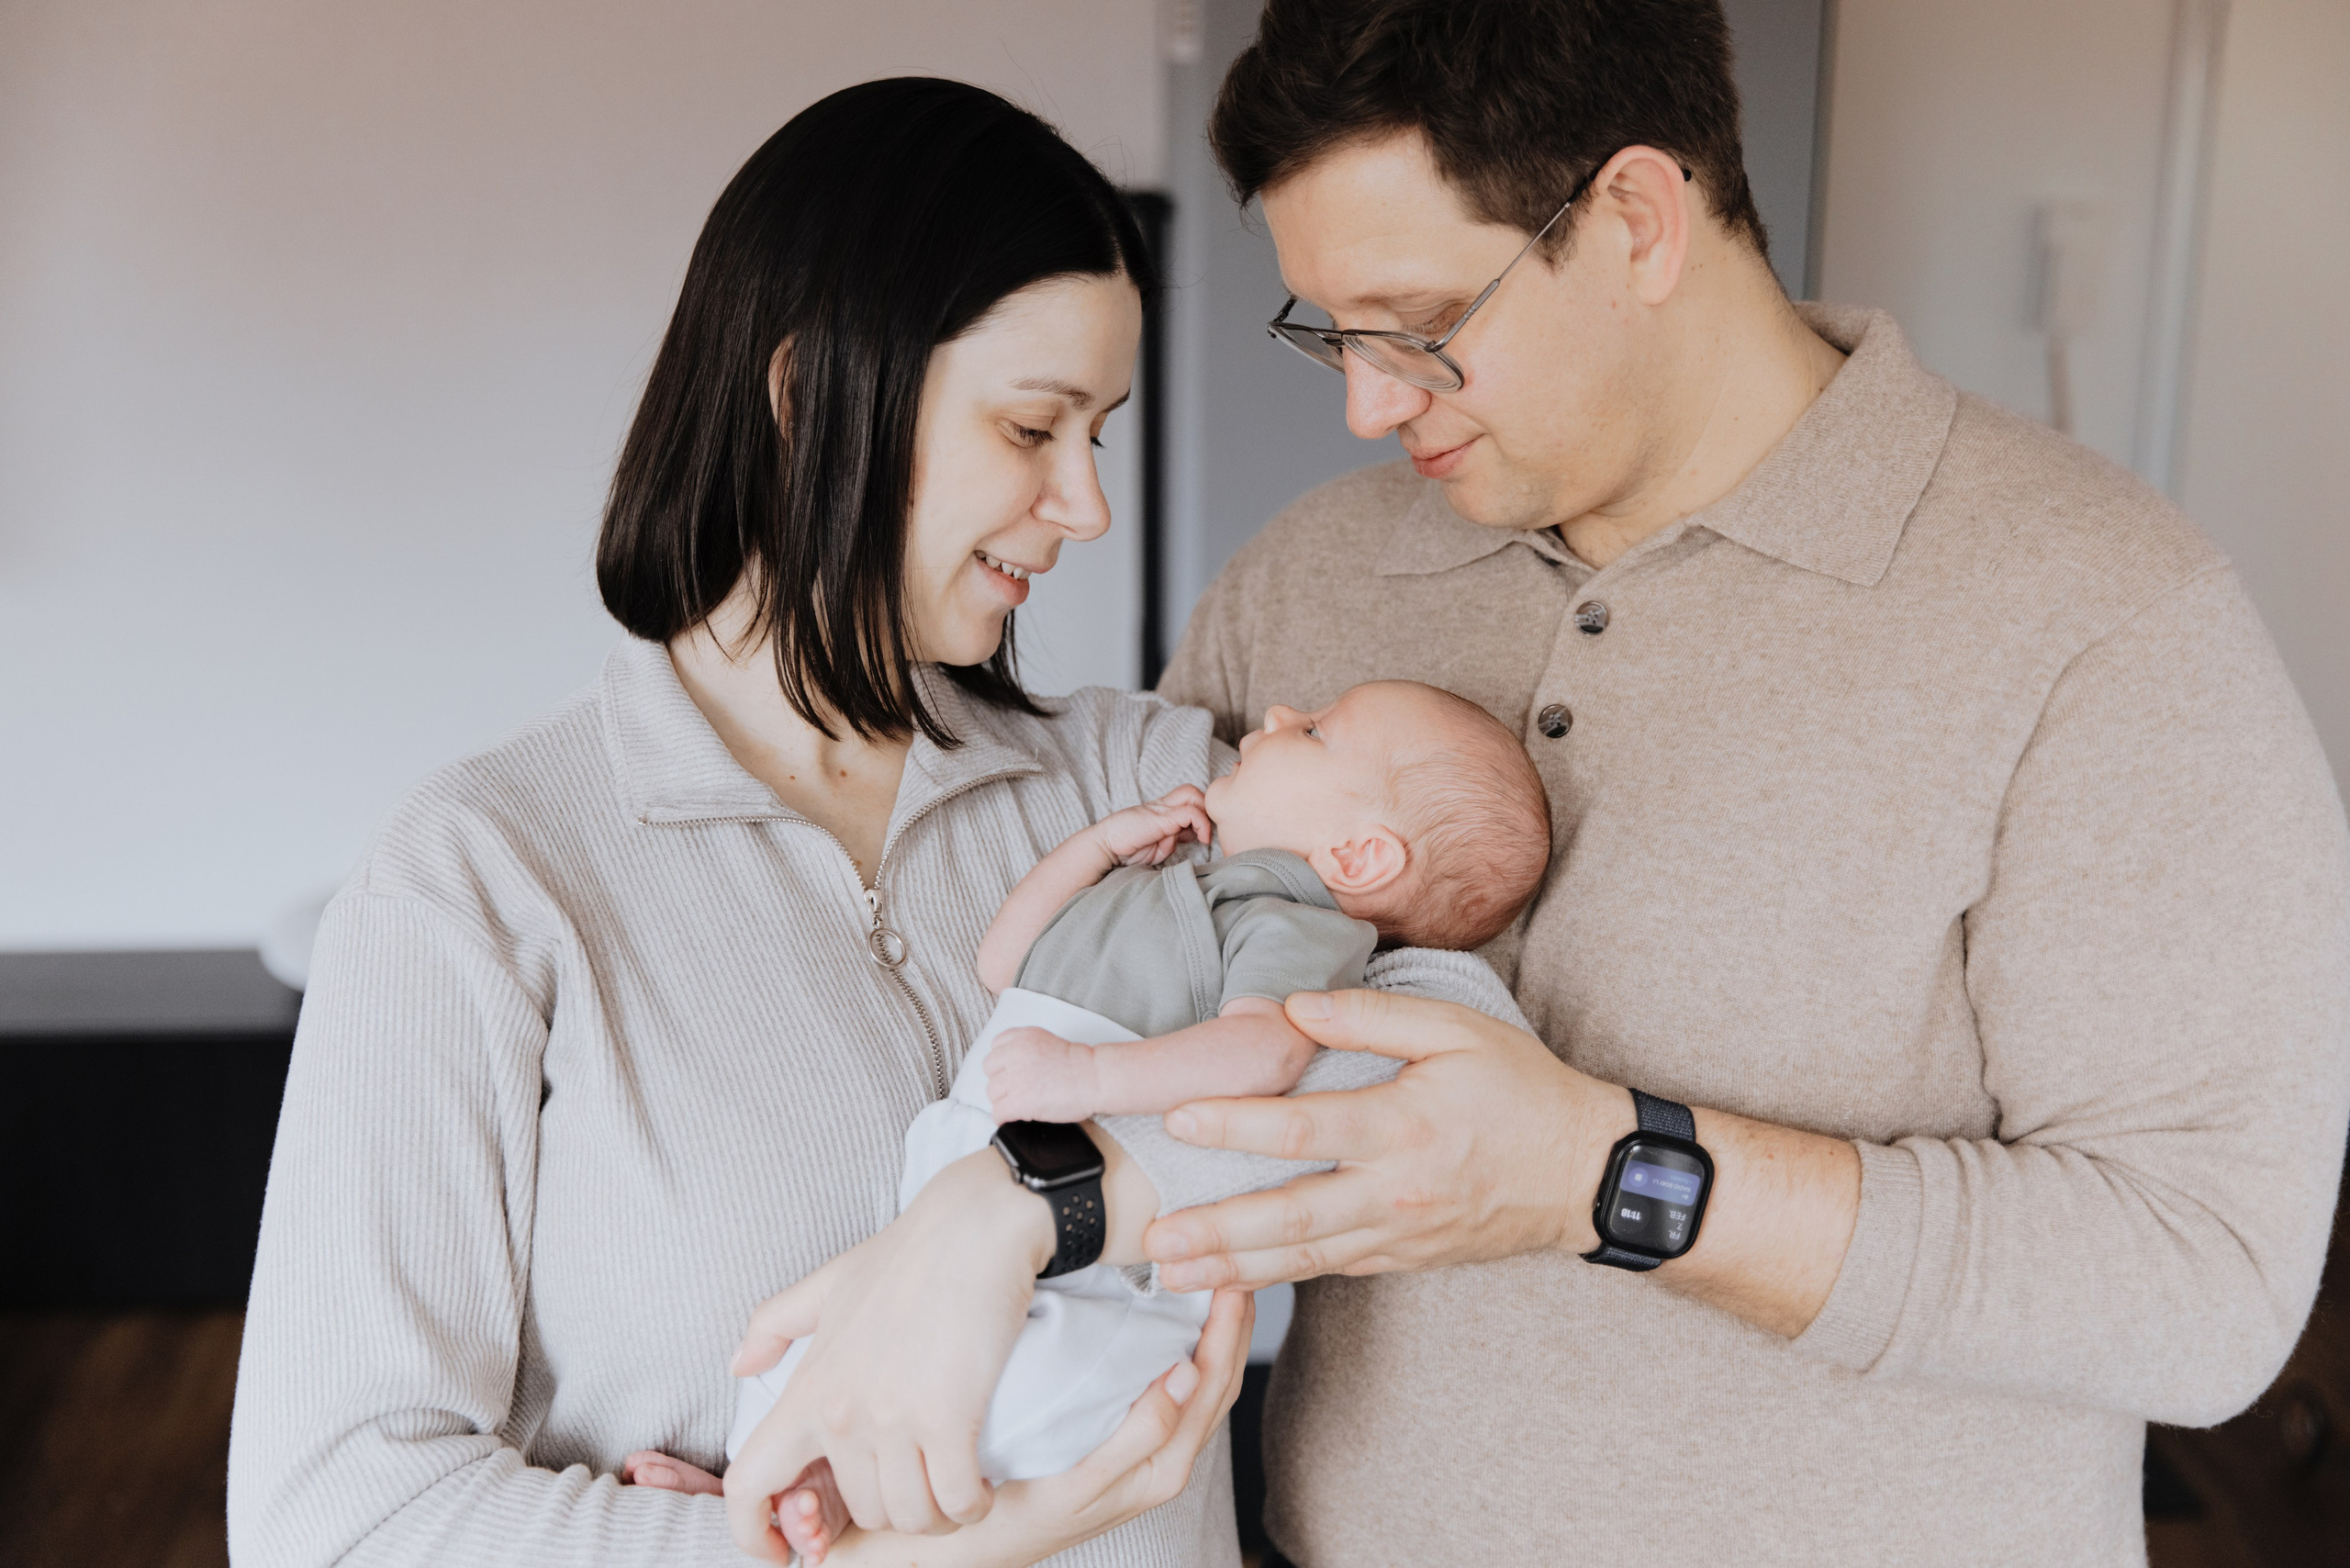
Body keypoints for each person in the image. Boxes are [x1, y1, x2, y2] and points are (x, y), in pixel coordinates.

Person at [228, 76, 1523, 1568]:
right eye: (1036, 426)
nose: (1086, 503)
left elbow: (1433, 1073)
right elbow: (335, 1519)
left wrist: (1019, 1208)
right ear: (806, 396)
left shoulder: (1145, 789)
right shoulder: (486, 876)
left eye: (1099, 431)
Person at [1123, 2, 2350, 1564]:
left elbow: (2204, 1283)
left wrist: (1598, 1173)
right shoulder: (1309, 576)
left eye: (1418, 322)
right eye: (1329, 330)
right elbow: (1120, 1004)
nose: (1366, 403)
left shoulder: (2107, 621)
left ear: (1637, 218)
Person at [716, 683, 1550, 1560]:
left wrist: (1093, 1074)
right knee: (810, 1346)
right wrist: (1096, 850)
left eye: (1313, 732)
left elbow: (1264, 1052)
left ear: (1359, 855)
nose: (1271, 721)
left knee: (1038, 1387)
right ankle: (782, 1487)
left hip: (1098, 1251)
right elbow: (1002, 960)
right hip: (970, 1151)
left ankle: (875, 1506)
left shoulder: (1296, 923)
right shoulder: (1171, 878)